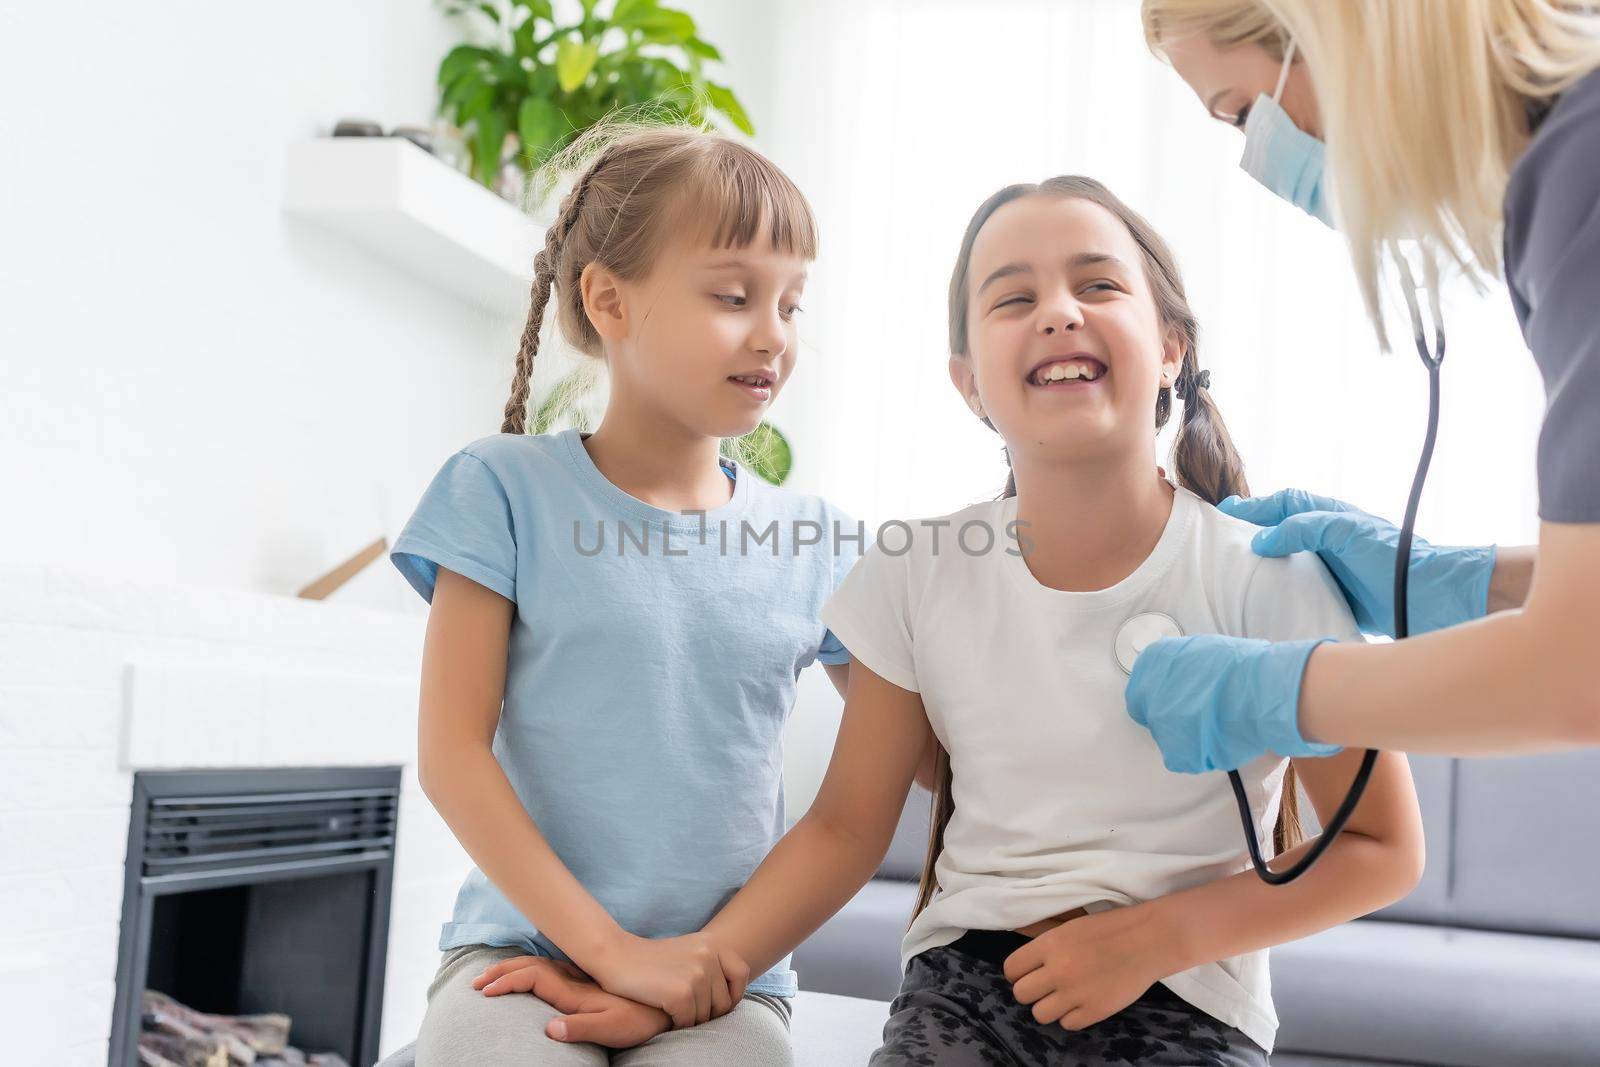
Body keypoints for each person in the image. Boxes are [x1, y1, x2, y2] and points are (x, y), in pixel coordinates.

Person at [480, 175, 1425, 1064]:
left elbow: (1380, 846)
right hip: (965, 986)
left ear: (1172, 343)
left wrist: (1153, 937)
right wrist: (685, 983)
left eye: (1098, 283)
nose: (1059, 309)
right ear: (967, 381)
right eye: (1013, 299)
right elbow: (844, 828)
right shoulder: (913, 570)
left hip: (1190, 993)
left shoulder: (1273, 571)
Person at [384, 124, 859, 1065]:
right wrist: (612, 955)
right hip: (519, 956)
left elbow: (874, 797)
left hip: (730, 982)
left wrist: (692, 972)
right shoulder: (501, 487)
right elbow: (451, 751)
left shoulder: (821, 540)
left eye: (792, 303)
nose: (774, 335)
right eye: (733, 296)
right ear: (609, 300)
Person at [1127, 0, 1600, 773]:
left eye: (1243, 114)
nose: (1261, 159)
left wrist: (1276, 691)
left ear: (1335, 30)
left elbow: (1580, 667)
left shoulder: (1583, 175)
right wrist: (1458, 582)